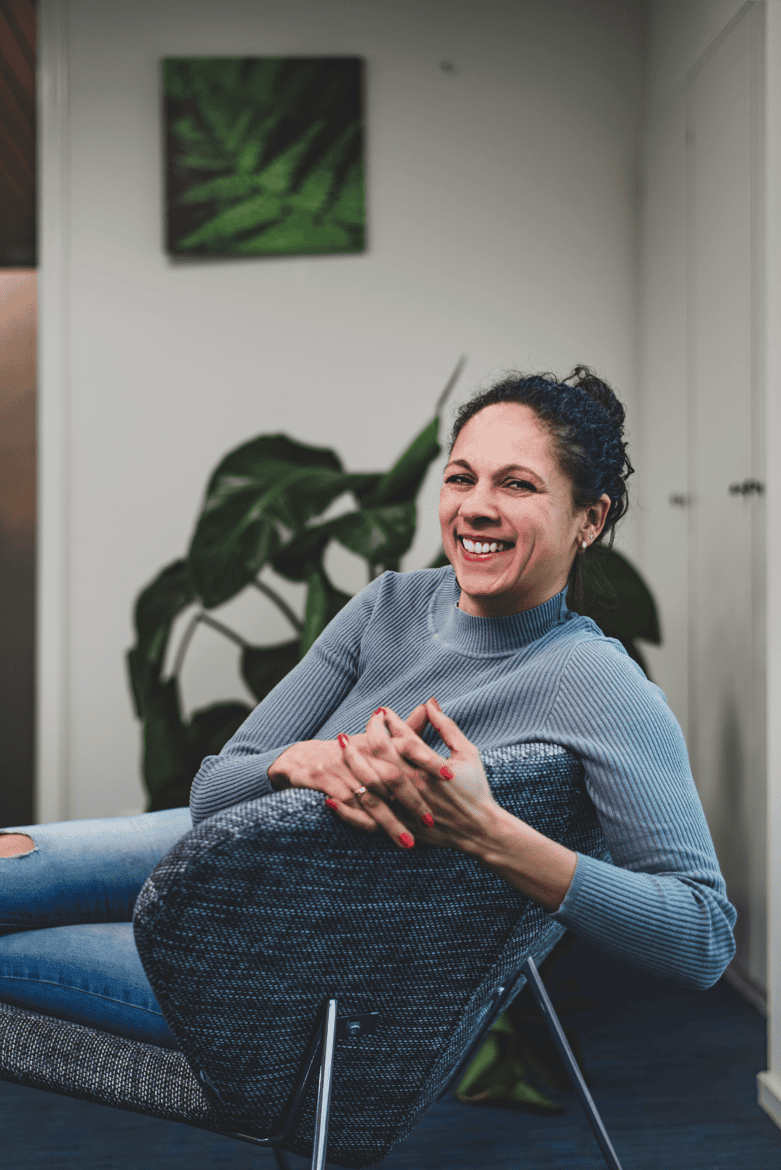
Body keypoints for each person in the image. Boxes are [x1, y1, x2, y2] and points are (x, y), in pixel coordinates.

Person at [0, 367, 736, 1053]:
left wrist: (488, 833)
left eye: (517, 484)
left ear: (588, 518)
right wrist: (301, 760)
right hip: (224, 860)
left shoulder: (601, 685)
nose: (476, 507)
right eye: (461, 478)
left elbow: (702, 936)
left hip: (288, 980)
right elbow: (214, 790)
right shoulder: (389, 605)